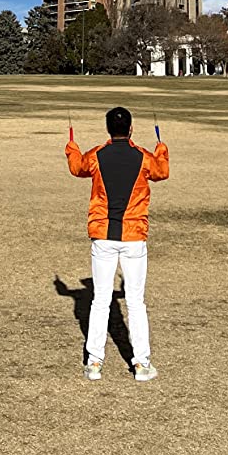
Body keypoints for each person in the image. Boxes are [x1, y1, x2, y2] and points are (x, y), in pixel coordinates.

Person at [65, 105, 169, 382]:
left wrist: (72, 148)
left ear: (108, 129)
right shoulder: (143, 157)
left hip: (103, 236)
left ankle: (94, 362)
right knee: (135, 302)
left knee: (100, 300)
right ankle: (142, 364)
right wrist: (162, 149)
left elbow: (77, 167)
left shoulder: (97, 155)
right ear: (131, 129)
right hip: (133, 238)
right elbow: (162, 171)